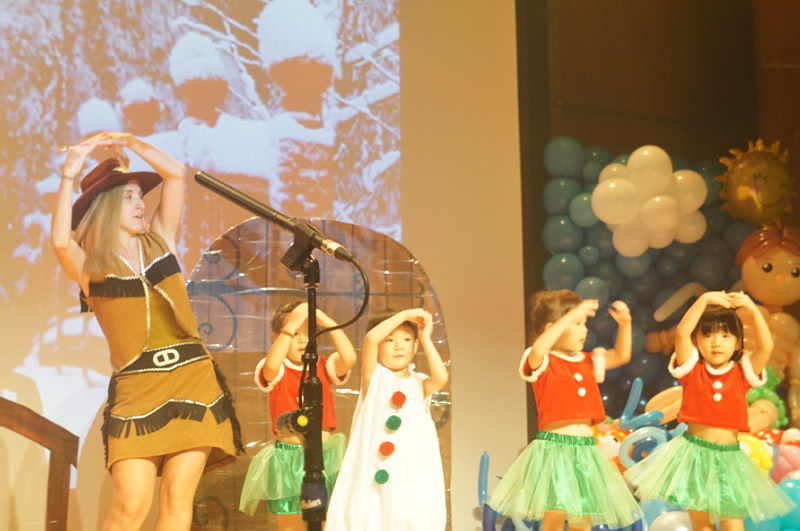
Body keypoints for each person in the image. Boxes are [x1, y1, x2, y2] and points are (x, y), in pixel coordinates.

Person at [51, 131, 243, 530]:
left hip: (193, 381)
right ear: (105, 207)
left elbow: (174, 174)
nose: (141, 205)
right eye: (129, 198)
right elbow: (59, 243)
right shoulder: (91, 266)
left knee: (177, 499)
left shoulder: (160, 240)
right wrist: (69, 174)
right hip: (138, 389)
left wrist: (130, 140)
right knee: (130, 507)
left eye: (140, 196)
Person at [625, 291, 794, 530]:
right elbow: (682, 333)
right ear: (697, 341)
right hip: (695, 455)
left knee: (733, 524)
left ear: (738, 343)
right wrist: (703, 300)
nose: (716, 343)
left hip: (729, 458)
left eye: (725, 336)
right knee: (702, 525)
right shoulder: (691, 370)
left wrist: (752, 310)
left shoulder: (741, 373)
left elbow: (766, 347)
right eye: (708, 335)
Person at [486, 289, 643, 531]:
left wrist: (625, 324)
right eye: (576, 324)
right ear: (553, 328)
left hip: (586, 451)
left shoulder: (587, 361)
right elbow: (538, 349)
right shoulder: (543, 360)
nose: (584, 330)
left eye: (584, 323)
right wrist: (569, 316)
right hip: (555, 451)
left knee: (583, 521)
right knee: (554, 519)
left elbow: (622, 355)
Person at [325, 308, 449, 530]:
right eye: (390, 340)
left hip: (407, 470)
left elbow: (441, 377)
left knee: (404, 515)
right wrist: (406, 315)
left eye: (406, 339)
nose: (399, 346)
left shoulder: (419, 383)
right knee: (370, 514)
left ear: (415, 346)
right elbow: (371, 338)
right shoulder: (375, 376)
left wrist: (425, 338)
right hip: (373, 467)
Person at [240, 300, 356, 530]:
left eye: (308, 334)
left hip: (323, 455)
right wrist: (290, 325)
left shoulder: (323, 366)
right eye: (295, 335)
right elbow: (271, 366)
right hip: (289, 458)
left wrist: (326, 322)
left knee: (323, 519)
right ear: (278, 337)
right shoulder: (278, 367)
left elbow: (350, 358)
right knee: (290, 523)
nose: (303, 340)